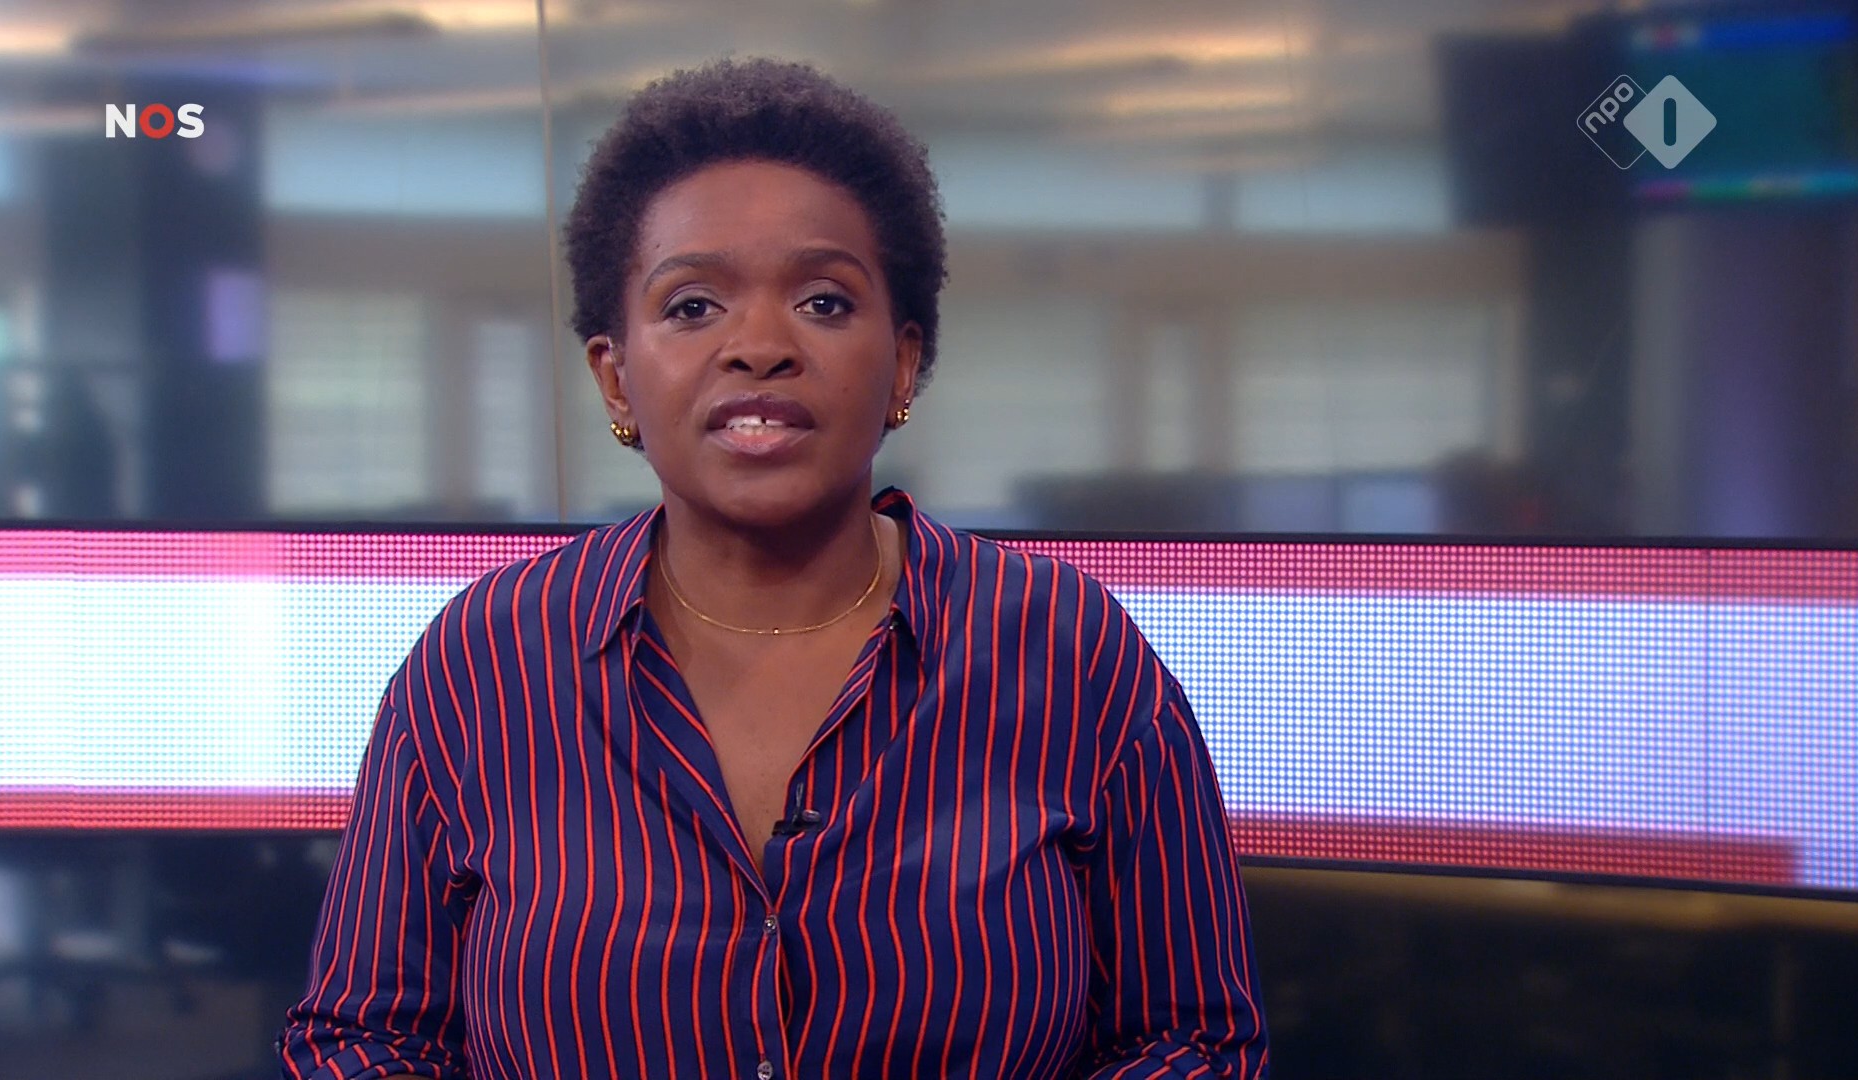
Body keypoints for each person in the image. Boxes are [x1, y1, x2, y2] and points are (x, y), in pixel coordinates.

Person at [279, 57, 1267, 1079]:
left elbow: (1194, 1040)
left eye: (825, 303)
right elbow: (362, 1037)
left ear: (904, 363)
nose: (759, 346)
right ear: (615, 378)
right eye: (692, 306)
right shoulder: (480, 664)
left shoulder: (1071, 652)